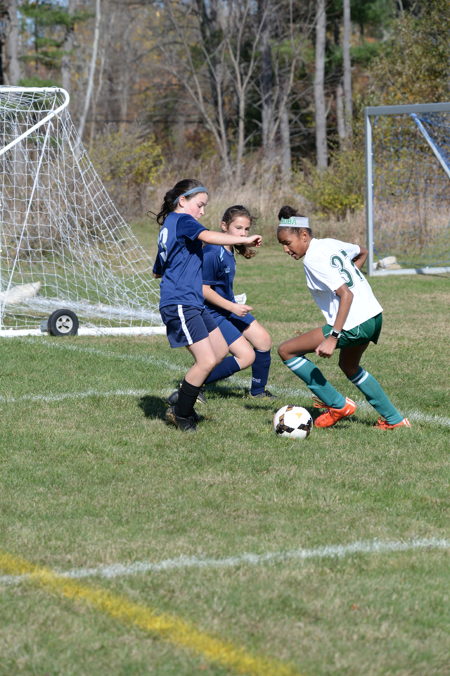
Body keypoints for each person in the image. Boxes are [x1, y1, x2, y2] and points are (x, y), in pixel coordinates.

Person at [276, 205, 410, 429]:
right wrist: (352, 276)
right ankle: (394, 420)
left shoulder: (313, 259)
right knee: (349, 365)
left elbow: (346, 294)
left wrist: (333, 337)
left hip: (354, 322)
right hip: (374, 316)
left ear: (304, 235)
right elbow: (362, 251)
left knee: (286, 351)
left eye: (287, 243)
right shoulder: (329, 243)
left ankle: (338, 405)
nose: (285, 249)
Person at [152, 179, 262, 432]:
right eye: (200, 205)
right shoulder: (182, 219)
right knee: (206, 360)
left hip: (191, 301)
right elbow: (208, 236)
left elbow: (158, 269)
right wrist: (244, 240)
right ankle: (182, 414)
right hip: (181, 301)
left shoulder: (169, 225)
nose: (202, 212)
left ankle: (183, 397)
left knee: (219, 349)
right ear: (182, 201)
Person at [200, 205, 274, 398]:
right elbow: (203, 289)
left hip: (227, 307)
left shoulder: (229, 249)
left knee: (263, 340)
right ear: (224, 226)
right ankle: (192, 384)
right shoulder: (212, 253)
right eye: (238, 228)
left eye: (246, 229)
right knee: (246, 356)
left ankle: (258, 392)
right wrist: (232, 306)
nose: (243, 233)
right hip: (212, 312)